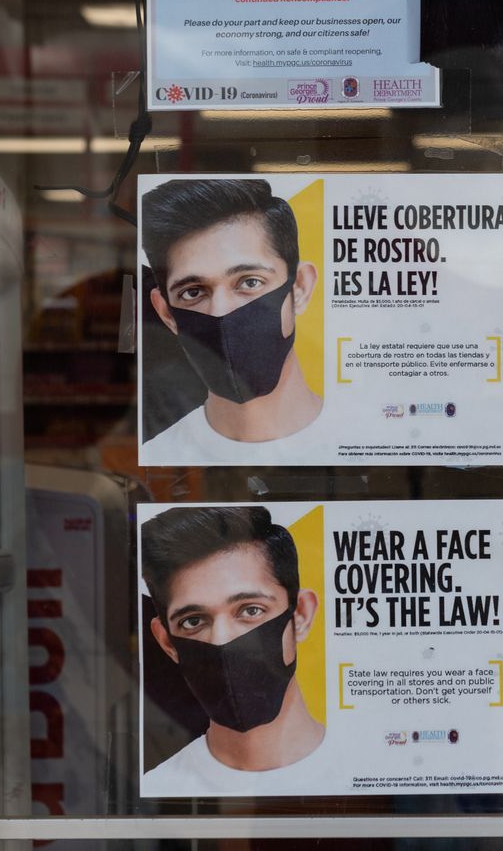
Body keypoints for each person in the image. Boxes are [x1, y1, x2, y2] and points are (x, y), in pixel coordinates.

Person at [141, 506, 328, 793]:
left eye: (251, 610)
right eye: (194, 621)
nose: (221, 640)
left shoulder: (371, 778)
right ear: (167, 642)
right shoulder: (158, 791)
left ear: (300, 614)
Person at [142, 179, 322, 459]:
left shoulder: (368, 443)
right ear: (166, 313)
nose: (221, 311)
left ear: (299, 287)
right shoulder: (157, 458)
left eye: (250, 282)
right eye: (193, 291)